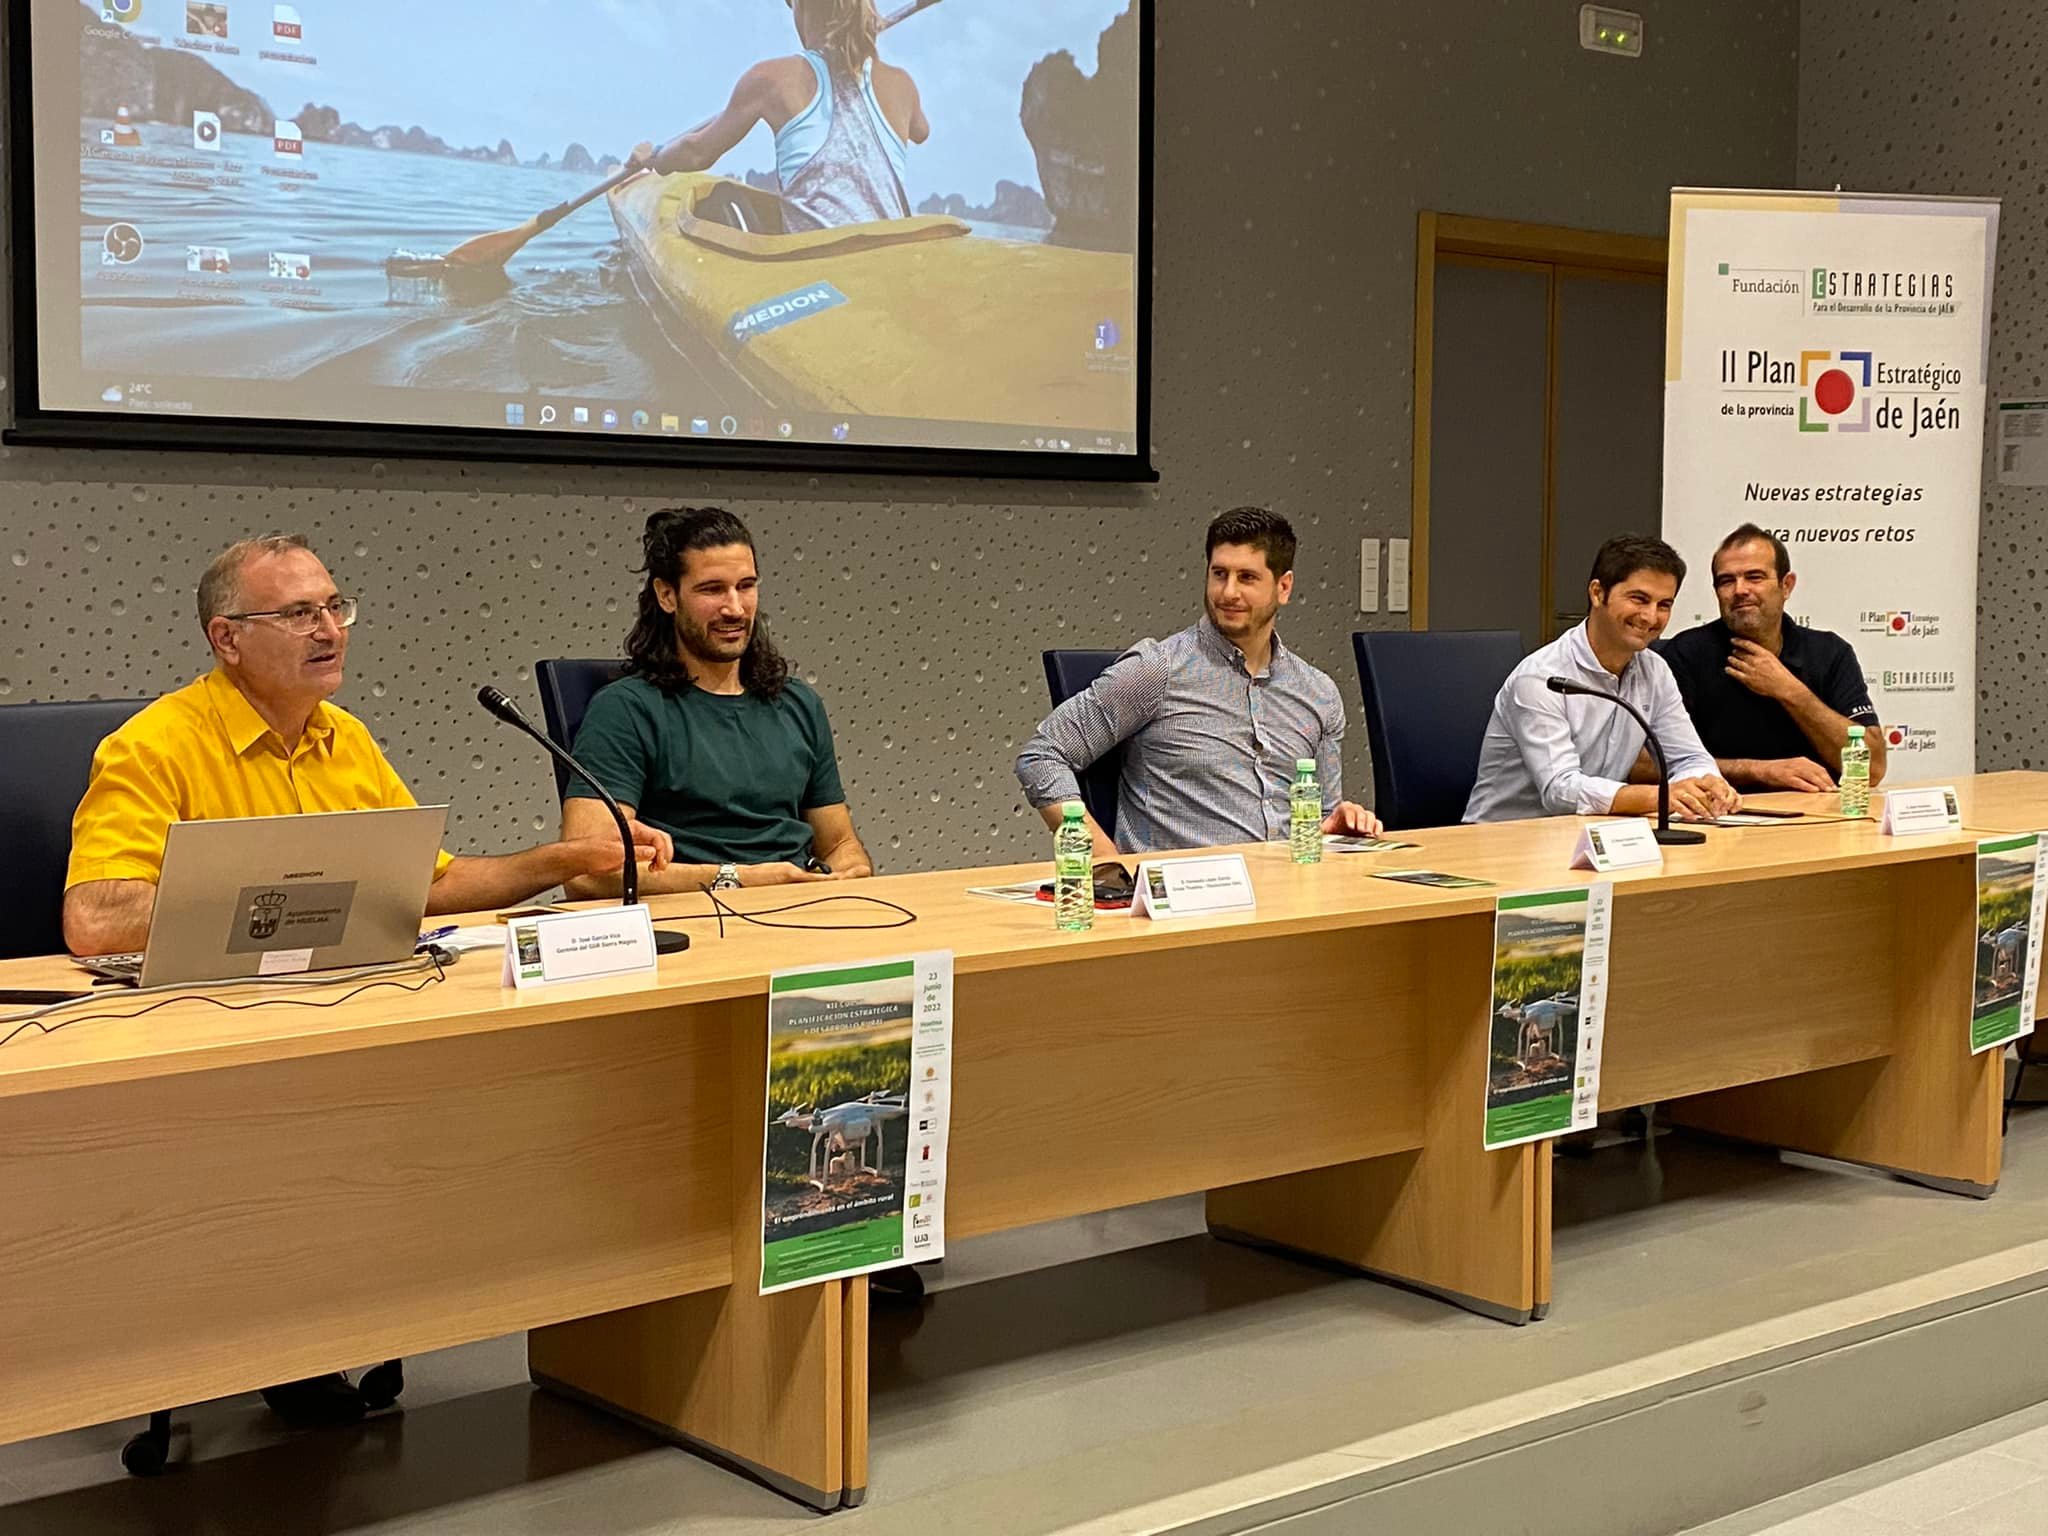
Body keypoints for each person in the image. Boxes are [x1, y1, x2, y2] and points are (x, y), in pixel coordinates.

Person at [62, 533, 672, 1427]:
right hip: (215, 1039)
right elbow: (95, 918)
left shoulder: (342, 738)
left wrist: (562, 856)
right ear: (227, 639)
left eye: (334, 607)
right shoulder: (154, 746)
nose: (328, 629)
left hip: (334, 1018)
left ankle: (348, 1312)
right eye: (298, 613)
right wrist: (266, 889)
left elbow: (424, 885)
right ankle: (273, 1336)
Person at [1015, 506, 1383, 858]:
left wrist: (1335, 827)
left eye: (1247, 577)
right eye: (1219, 574)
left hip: (1286, 896)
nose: (1228, 593)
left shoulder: (1318, 693)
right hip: (1185, 900)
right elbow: (1042, 755)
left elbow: (1320, 818)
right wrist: (1105, 860)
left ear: (1283, 588)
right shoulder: (1156, 669)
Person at [562, 507, 873, 896]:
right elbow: (585, 873)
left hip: (802, 912)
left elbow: (840, 845)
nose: (735, 608)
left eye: (746, 586)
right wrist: (739, 879)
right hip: (696, 923)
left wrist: (849, 874)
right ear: (667, 595)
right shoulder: (626, 709)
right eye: (712, 589)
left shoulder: (799, 704)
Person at [1466, 534, 1739, 824]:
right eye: (1639, 599)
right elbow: (1560, 790)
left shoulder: (1655, 670)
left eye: (1664, 605)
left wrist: (1706, 785)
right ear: (1597, 594)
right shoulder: (1541, 677)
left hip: (1592, 834)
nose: (1650, 616)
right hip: (1504, 839)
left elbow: (1689, 758)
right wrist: (1662, 796)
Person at [626, 0, 929, 233]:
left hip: (819, 266)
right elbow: (920, 131)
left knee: (720, 201)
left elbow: (695, 153)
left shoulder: (770, 79)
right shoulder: (902, 85)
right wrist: (863, 47)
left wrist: (654, 158)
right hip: (889, 256)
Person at [1655, 523, 1886, 792]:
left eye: (1754, 577)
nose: (1740, 590)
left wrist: (1789, 690)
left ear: (1786, 586)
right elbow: (1648, 765)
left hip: (1820, 815)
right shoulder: (1687, 653)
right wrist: (1761, 771)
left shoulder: (1830, 652)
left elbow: (1872, 769)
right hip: (1724, 817)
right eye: (1727, 581)